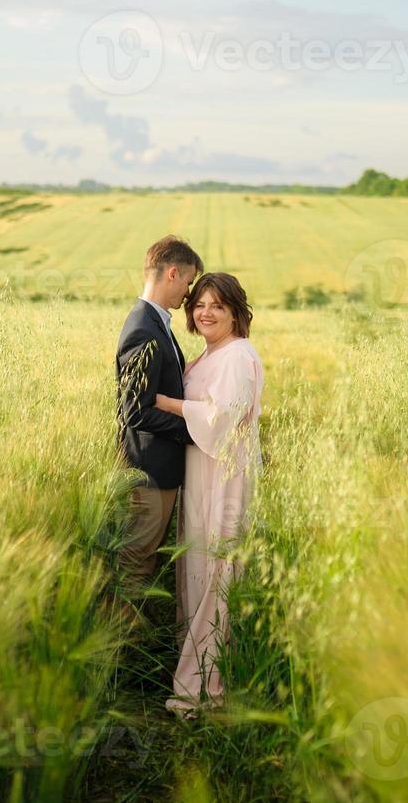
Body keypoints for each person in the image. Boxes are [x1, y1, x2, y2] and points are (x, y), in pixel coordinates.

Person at [153, 272, 264, 717]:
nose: (206, 312)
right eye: (199, 304)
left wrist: (167, 404)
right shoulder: (208, 354)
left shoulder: (237, 355)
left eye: (218, 305)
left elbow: (224, 416)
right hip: (203, 470)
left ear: (237, 312)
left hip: (225, 474)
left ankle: (206, 686)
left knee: (218, 567)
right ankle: (196, 666)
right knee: (199, 564)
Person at [114, 235, 204, 601]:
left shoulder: (155, 322)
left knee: (143, 563)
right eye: (188, 281)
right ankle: (119, 650)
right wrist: (192, 430)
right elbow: (134, 411)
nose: (188, 292)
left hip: (158, 471)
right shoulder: (142, 328)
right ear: (172, 273)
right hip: (149, 473)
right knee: (136, 564)